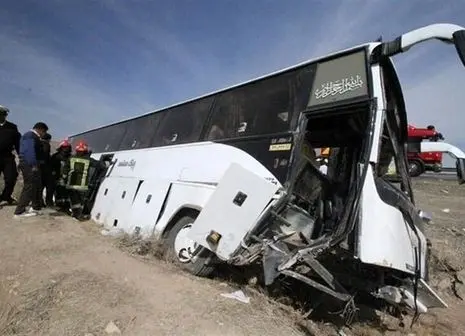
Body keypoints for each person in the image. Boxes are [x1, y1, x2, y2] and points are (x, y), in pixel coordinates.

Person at [14, 122, 49, 218]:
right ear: (41, 130)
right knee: (29, 186)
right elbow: (29, 151)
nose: (44, 134)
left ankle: (35, 208)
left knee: (36, 186)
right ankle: (19, 211)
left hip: (32, 164)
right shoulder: (30, 136)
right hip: (29, 164)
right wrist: (33, 164)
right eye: (44, 132)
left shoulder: (33, 136)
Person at [64, 141, 104, 221]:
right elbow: (99, 165)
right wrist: (106, 163)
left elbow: (65, 170)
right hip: (82, 185)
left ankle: (75, 214)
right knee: (80, 202)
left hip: (71, 184)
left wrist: (64, 178)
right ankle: (78, 215)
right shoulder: (88, 159)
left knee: (74, 201)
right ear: (85, 151)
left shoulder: (71, 158)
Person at [0, 105, 21, 207]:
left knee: (11, 177)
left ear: (5, 115)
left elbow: (17, 143)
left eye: (2, 114)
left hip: (7, 157)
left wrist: (21, 156)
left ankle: (5, 197)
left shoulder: (12, 127)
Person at [50, 139, 73, 212]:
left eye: (67, 147)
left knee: (67, 193)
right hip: (58, 177)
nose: (66, 149)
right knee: (59, 192)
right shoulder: (55, 156)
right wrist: (54, 176)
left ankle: (67, 206)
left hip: (68, 178)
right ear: (61, 148)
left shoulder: (71, 157)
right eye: (64, 147)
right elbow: (51, 167)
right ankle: (59, 206)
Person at [39, 132, 54, 207]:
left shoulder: (38, 143)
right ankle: (49, 203)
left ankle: (40, 202)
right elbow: (45, 156)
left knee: (40, 187)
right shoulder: (46, 145)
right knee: (49, 187)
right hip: (45, 169)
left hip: (40, 169)